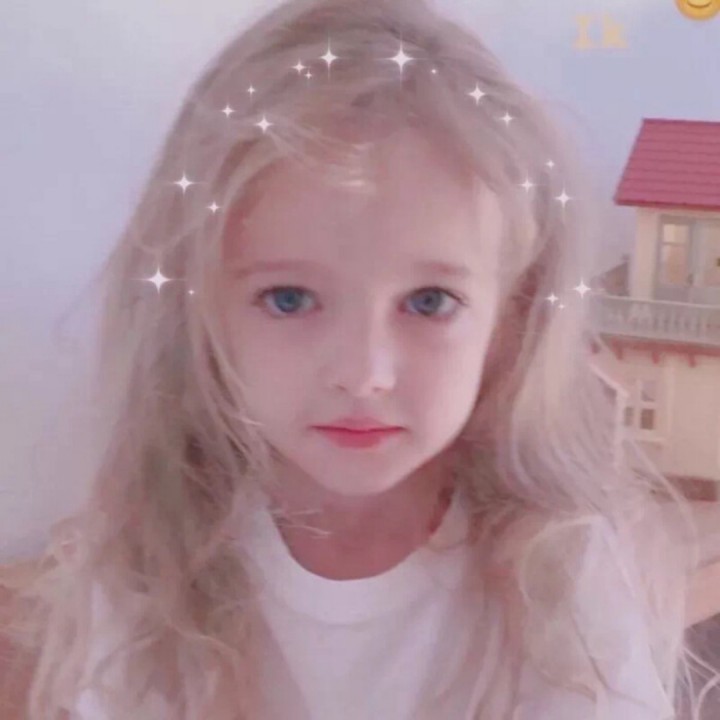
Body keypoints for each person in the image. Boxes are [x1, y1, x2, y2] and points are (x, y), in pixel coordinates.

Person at [11, 0, 719, 717]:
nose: (363, 373)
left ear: (510, 318)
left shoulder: (560, 572)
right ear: (199, 311)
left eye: (429, 302)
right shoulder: (148, 566)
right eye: (289, 299)